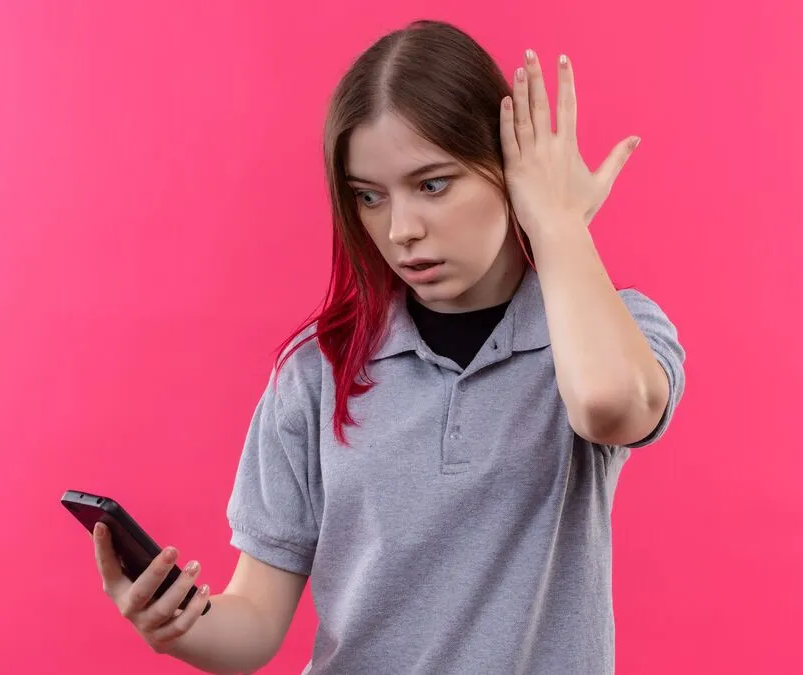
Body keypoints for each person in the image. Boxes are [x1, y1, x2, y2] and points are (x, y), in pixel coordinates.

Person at [91, 19, 685, 675]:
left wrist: (557, 220)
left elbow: (608, 405)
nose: (400, 229)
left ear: (508, 168)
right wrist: (176, 621)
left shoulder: (607, 328)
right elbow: (254, 625)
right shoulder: (320, 369)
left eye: (433, 184)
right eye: (369, 198)